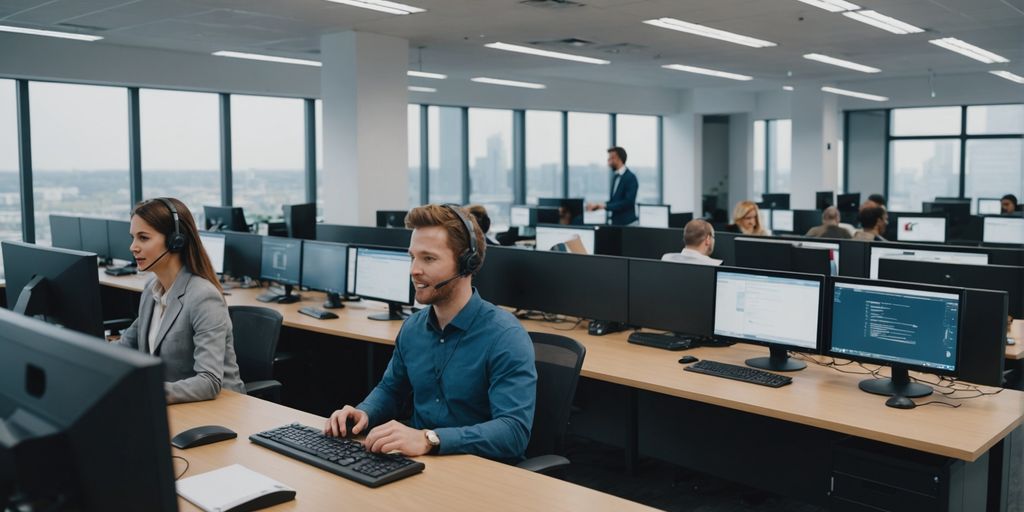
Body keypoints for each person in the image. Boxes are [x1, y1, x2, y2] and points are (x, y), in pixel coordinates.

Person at [324, 204, 537, 463]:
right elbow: (391, 390)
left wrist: (429, 439)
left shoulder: (505, 337)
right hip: (419, 463)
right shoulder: (413, 328)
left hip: (480, 473)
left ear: (466, 264)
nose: (414, 269)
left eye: (428, 258)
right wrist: (364, 413)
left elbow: (513, 432)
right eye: (412, 256)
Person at [114, 198, 244, 404]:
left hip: (219, 410)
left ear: (176, 241)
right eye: (133, 238)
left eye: (143, 238)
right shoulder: (152, 290)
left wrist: (146, 391)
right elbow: (125, 347)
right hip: (176, 406)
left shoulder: (203, 297)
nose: (133, 247)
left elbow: (208, 381)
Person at [586, 147, 638, 226]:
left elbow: (628, 202)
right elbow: (614, 201)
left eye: (610, 158)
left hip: (628, 224)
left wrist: (604, 206)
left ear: (618, 159)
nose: (608, 161)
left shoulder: (631, 178)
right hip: (616, 223)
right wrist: (598, 205)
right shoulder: (615, 177)